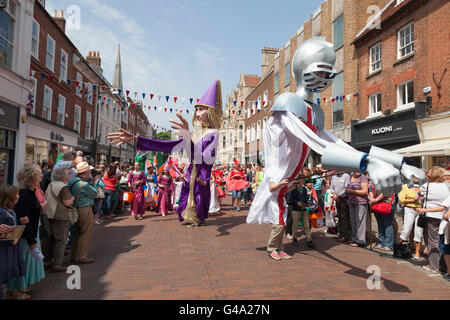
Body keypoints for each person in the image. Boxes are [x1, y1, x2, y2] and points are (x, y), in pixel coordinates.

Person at [246, 37, 425, 261]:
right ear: (302, 69)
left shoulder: (314, 110)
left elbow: (334, 141)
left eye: (329, 75)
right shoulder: (287, 103)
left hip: (286, 181)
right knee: (280, 216)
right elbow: (315, 141)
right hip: (279, 178)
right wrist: (370, 163)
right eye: (320, 71)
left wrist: (399, 163)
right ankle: (275, 248)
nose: (324, 80)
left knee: (281, 217)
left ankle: (276, 247)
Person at [108, 80, 222, 227]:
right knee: (187, 199)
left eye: (202, 109)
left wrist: (188, 138)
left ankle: (198, 217)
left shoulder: (213, 133)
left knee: (199, 199)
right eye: (197, 109)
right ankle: (191, 217)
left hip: (201, 175)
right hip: (190, 173)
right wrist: (137, 139)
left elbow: (203, 157)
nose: (198, 113)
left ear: (210, 112)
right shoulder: (195, 133)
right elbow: (170, 146)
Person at [7, 163, 45, 300]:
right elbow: (23, 219)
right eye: (39, 174)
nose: (41, 176)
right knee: (21, 262)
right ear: (32, 178)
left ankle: (21, 287)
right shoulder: (24, 194)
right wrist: (31, 240)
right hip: (24, 237)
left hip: (30, 234)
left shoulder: (29, 192)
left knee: (27, 263)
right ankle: (14, 290)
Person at [416, 166, 450, 273]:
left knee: (432, 241)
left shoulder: (427, 186)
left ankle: (433, 266)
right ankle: (444, 267)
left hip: (431, 215)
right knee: (443, 241)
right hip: (444, 214)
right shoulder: (446, 186)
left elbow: (419, 194)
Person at [42, 167, 74, 272]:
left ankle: (47, 262)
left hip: (48, 215)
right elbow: (67, 202)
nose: (70, 175)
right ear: (63, 176)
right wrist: (73, 198)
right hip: (59, 216)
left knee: (49, 240)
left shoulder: (51, 185)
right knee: (60, 241)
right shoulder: (63, 187)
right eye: (68, 173)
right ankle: (57, 265)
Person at [0, 185, 28, 300]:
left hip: (9, 249)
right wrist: (13, 237)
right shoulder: (2, 214)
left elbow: (11, 225)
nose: (18, 196)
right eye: (16, 194)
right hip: (4, 250)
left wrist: (19, 221)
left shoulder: (9, 211)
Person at [67, 162, 98, 264]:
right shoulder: (84, 184)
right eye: (89, 171)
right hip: (85, 209)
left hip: (75, 208)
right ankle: (82, 256)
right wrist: (93, 182)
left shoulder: (72, 181)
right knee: (85, 233)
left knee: (76, 233)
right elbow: (94, 192)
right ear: (86, 172)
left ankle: (74, 255)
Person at [398, 178, 423, 260]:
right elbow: (401, 199)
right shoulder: (405, 186)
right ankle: (400, 250)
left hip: (420, 211)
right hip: (410, 210)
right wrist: (413, 200)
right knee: (406, 230)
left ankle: (417, 253)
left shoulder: (423, 186)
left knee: (418, 231)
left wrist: (422, 199)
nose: (415, 177)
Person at [369, 178, 395, 252]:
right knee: (380, 224)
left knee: (387, 225)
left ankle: (388, 245)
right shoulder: (373, 178)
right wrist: (372, 199)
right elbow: (370, 189)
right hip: (376, 204)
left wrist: (375, 199)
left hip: (386, 203)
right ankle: (381, 242)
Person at [346, 171, 369, 247]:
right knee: (353, 221)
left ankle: (360, 240)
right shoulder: (350, 176)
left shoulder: (363, 178)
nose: (358, 171)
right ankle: (354, 238)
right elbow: (346, 188)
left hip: (360, 202)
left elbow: (365, 191)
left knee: (360, 221)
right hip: (351, 202)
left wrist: (352, 191)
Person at [331, 171, 351, 243]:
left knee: (344, 217)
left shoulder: (346, 175)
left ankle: (346, 236)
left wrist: (339, 195)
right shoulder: (334, 176)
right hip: (336, 198)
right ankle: (341, 234)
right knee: (339, 216)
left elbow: (346, 188)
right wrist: (334, 195)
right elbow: (331, 187)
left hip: (343, 198)